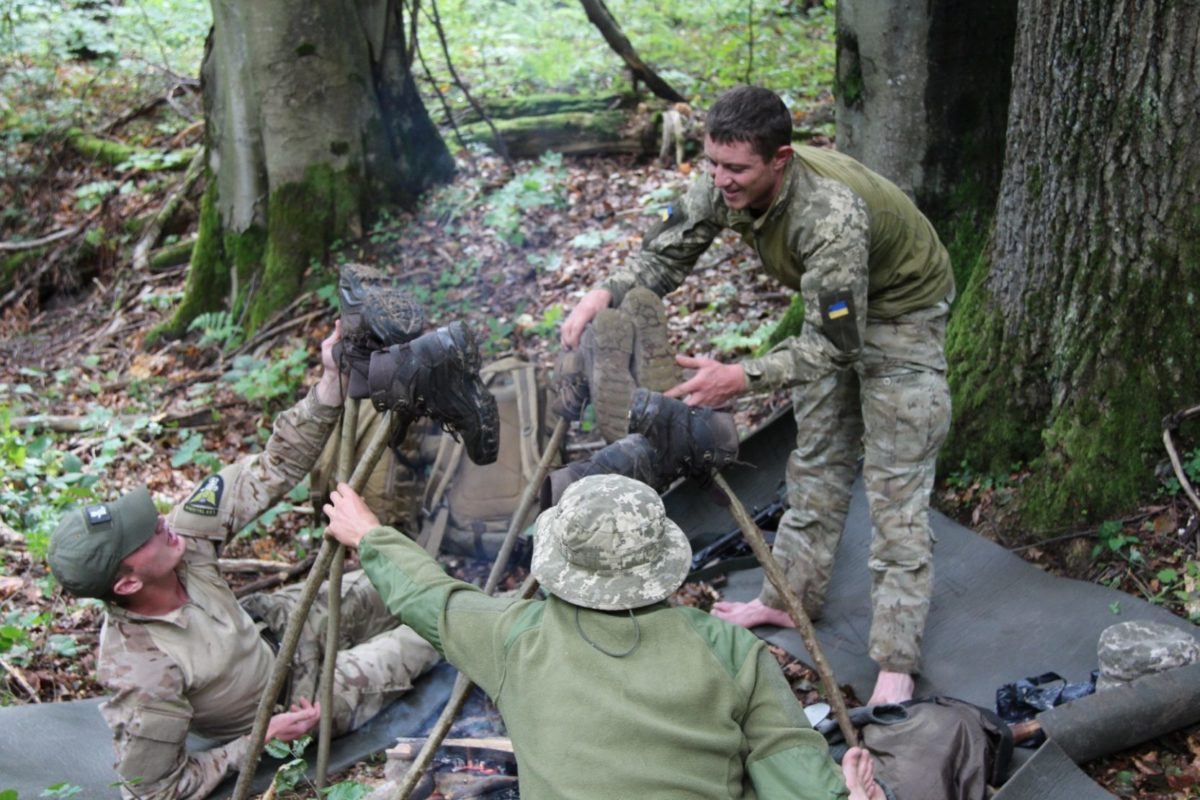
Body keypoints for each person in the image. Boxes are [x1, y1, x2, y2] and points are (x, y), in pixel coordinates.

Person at [560, 86, 954, 706]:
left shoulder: (830, 217)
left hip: (901, 314)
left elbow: (838, 345)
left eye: (736, 168)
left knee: (895, 488)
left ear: (782, 159)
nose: (721, 181)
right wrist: (602, 293)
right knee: (816, 461)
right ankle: (787, 601)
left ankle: (896, 662)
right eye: (712, 163)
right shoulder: (724, 180)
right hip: (837, 308)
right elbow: (669, 251)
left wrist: (740, 378)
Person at [46, 323, 447, 800]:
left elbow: (273, 467)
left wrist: (330, 383)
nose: (159, 520)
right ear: (128, 584)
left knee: (409, 578)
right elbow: (155, 791)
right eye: (143, 533)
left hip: (281, 627)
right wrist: (259, 740)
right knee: (431, 629)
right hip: (298, 700)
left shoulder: (179, 536)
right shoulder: (142, 671)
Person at [325, 473, 884, 800]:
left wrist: (371, 537)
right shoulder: (730, 649)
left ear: (556, 563)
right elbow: (787, 756)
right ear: (663, 561)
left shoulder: (515, 638)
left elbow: (433, 599)